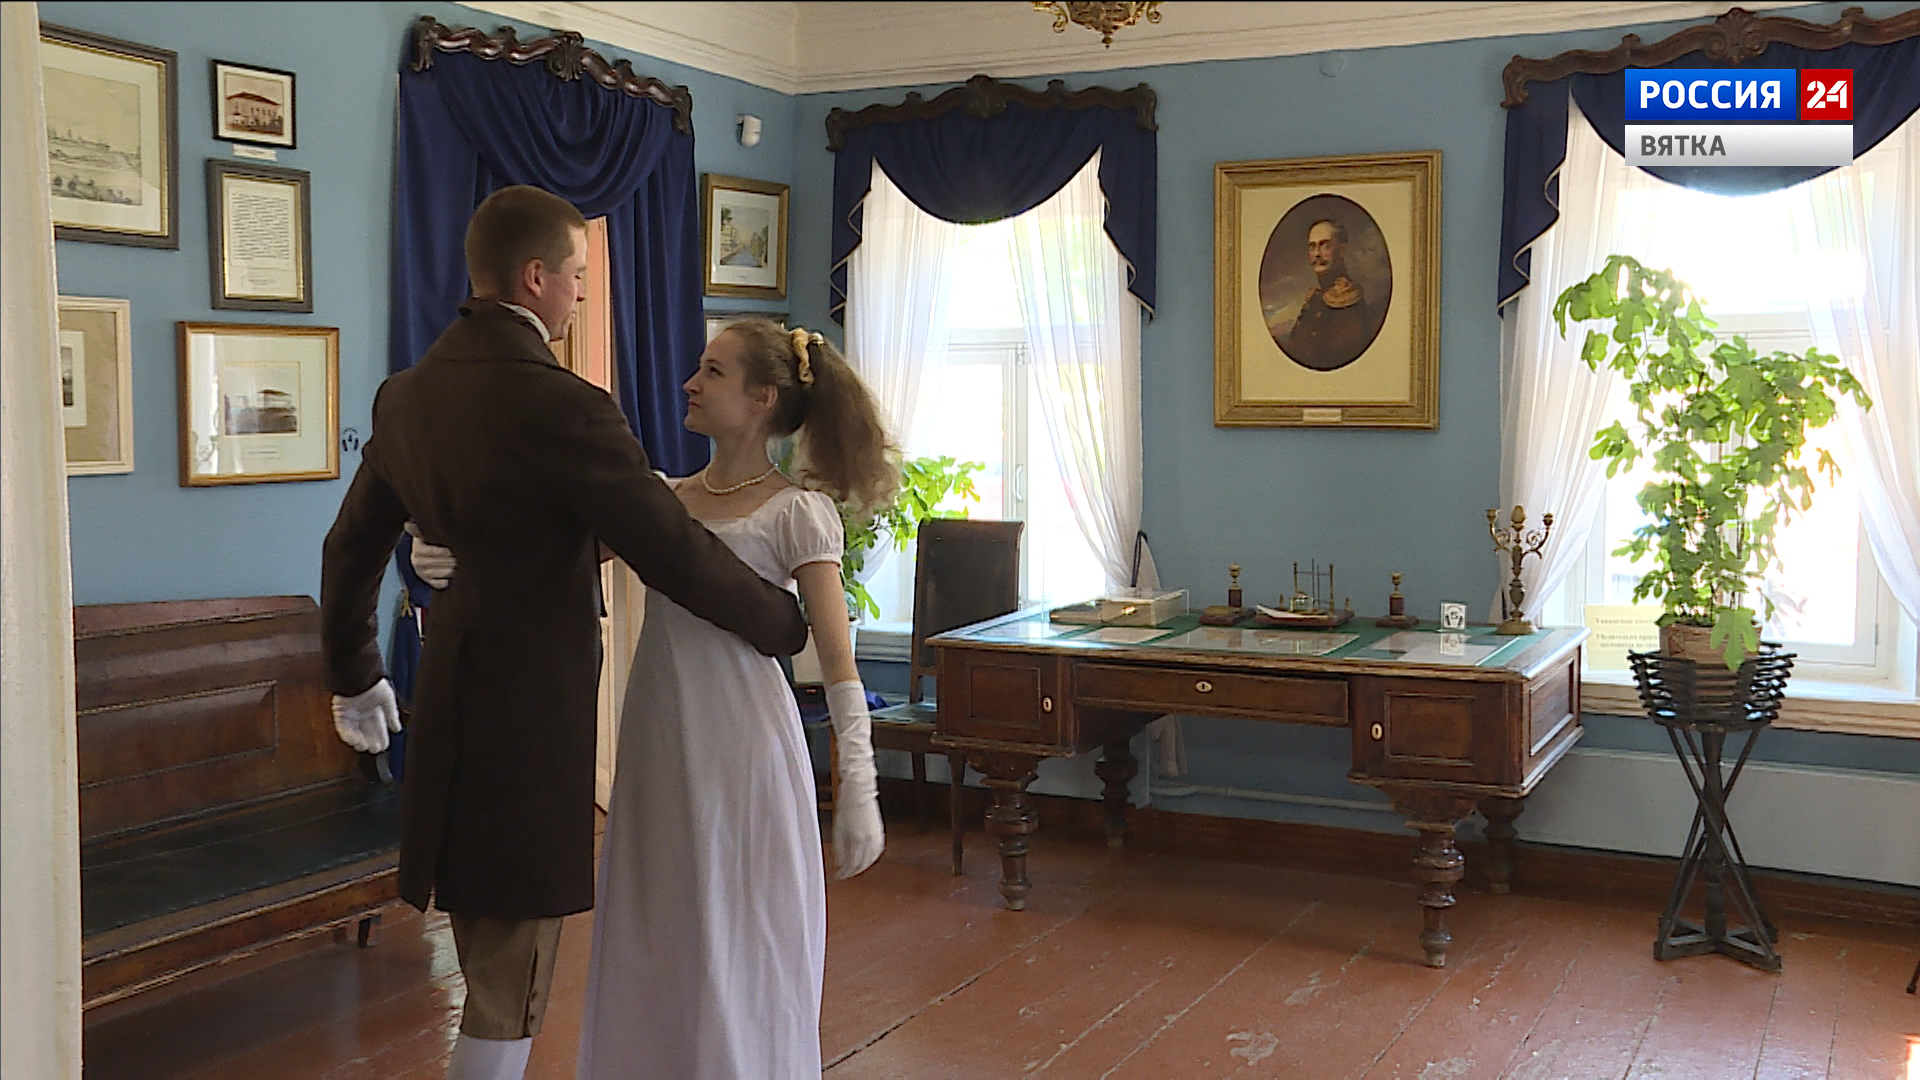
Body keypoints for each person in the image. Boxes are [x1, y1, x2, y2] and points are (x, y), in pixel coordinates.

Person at [319, 185, 809, 1080]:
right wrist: (780, 621)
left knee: (482, 944)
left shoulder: (406, 397)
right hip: (529, 722)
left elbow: (350, 547)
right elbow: (669, 550)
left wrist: (354, 671)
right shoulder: (568, 406)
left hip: (445, 701)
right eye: (578, 275)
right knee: (514, 975)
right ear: (536, 277)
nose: (582, 292)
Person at [412, 317, 893, 1078]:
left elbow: (837, 660)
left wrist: (859, 780)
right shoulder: (662, 499)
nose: (690, 383)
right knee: (658, 929)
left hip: (744, 745)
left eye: (714, 372)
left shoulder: (797, 512)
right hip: (660, 738)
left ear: (763, 399)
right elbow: (546, 550)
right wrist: (448, 547)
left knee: (741, 933)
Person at [1283, 218, 1374, 371]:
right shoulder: (1315, 296)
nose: (1317, 254)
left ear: (1342, 250)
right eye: (1312, 247)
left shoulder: (1349, 298)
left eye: (1325, 246)